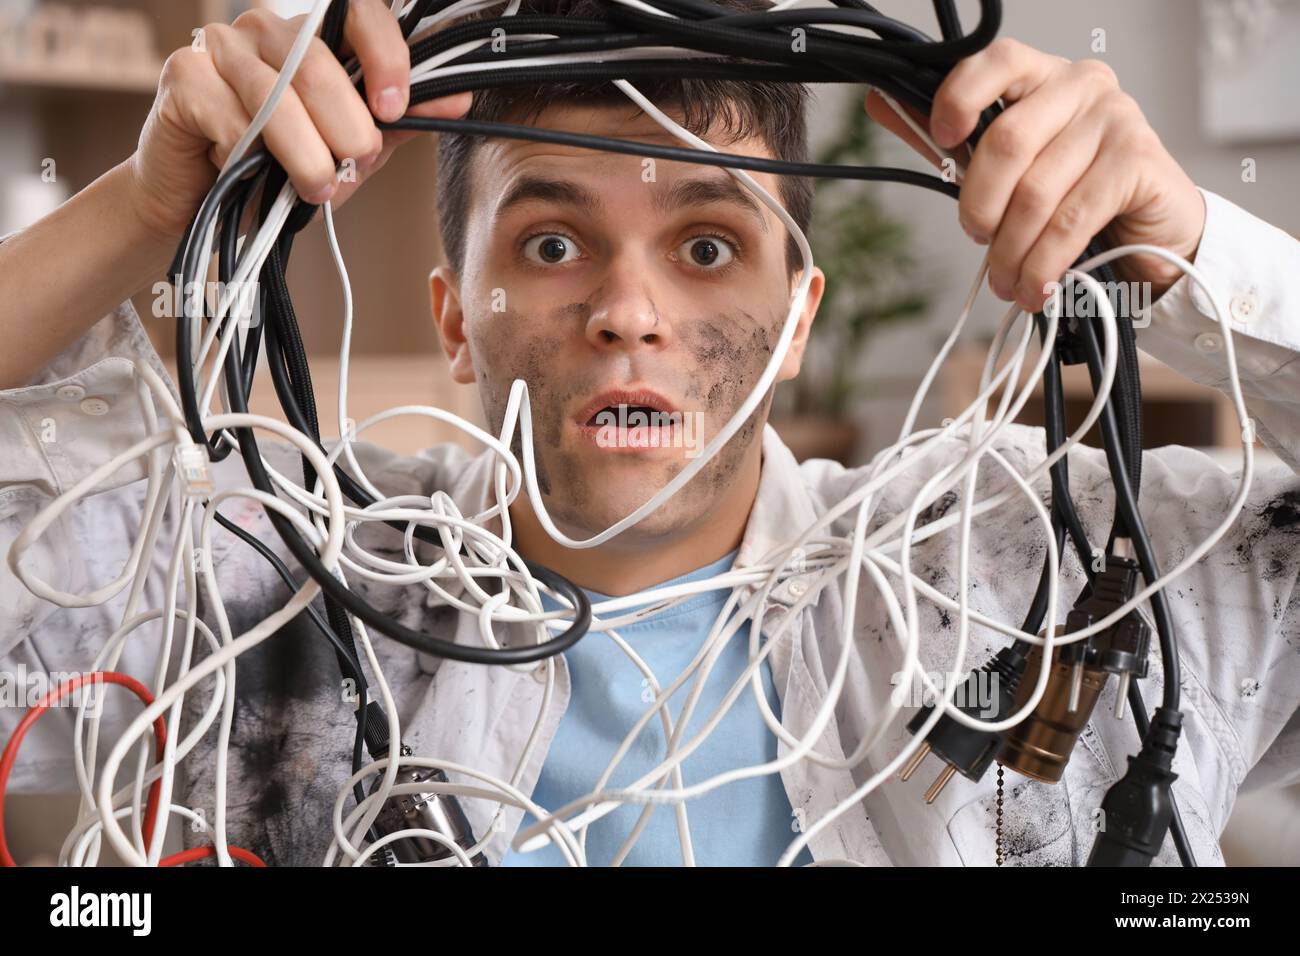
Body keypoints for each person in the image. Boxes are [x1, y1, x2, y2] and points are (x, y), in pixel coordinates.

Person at [1, 0, 1297, 867]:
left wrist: (1195, 252)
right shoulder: (273, 577)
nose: (630, 313)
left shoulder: (1058, 575)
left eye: (708, 244)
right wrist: (135, 208)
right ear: (457, 321)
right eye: (554, 245)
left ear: (797, 319)